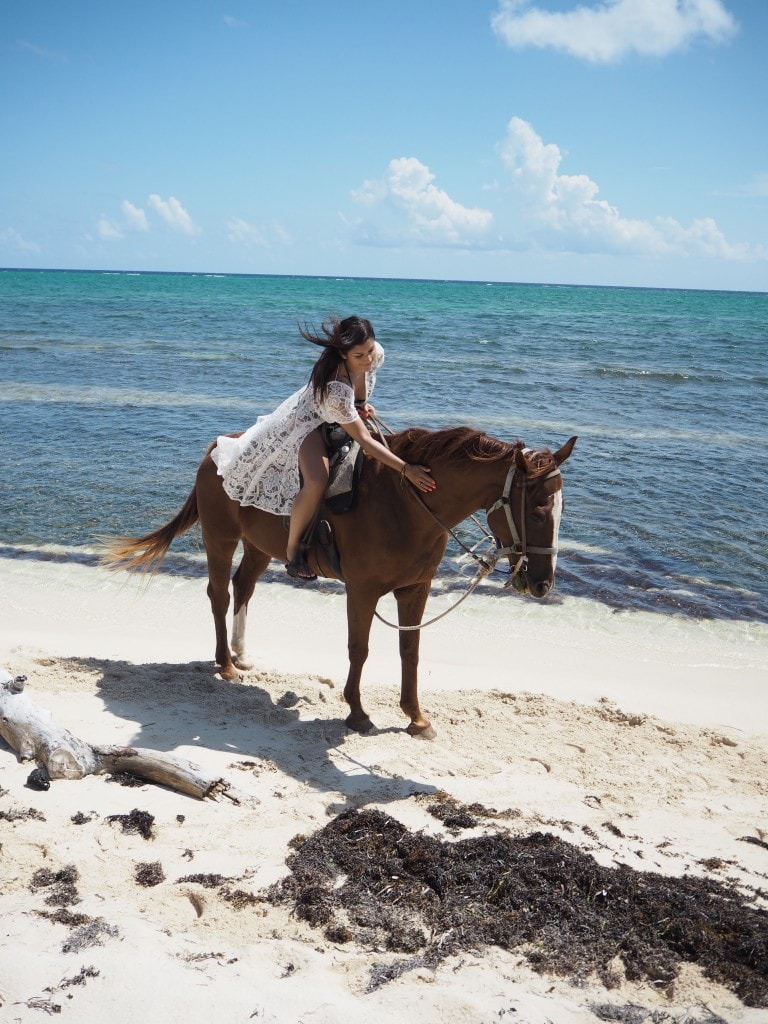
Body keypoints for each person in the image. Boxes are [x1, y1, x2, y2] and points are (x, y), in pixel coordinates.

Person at [211, 315, 435, 581]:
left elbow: (360, 390)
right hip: (309, 425)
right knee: (318, 479)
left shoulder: (372, 356)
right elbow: (364, 440)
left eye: (371, 351)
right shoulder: (334, 391)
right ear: (343, 355)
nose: (367, 359)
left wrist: (360, 405)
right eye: (359, 355)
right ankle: (294, 553)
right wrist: (406, 469)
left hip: (338, 417)